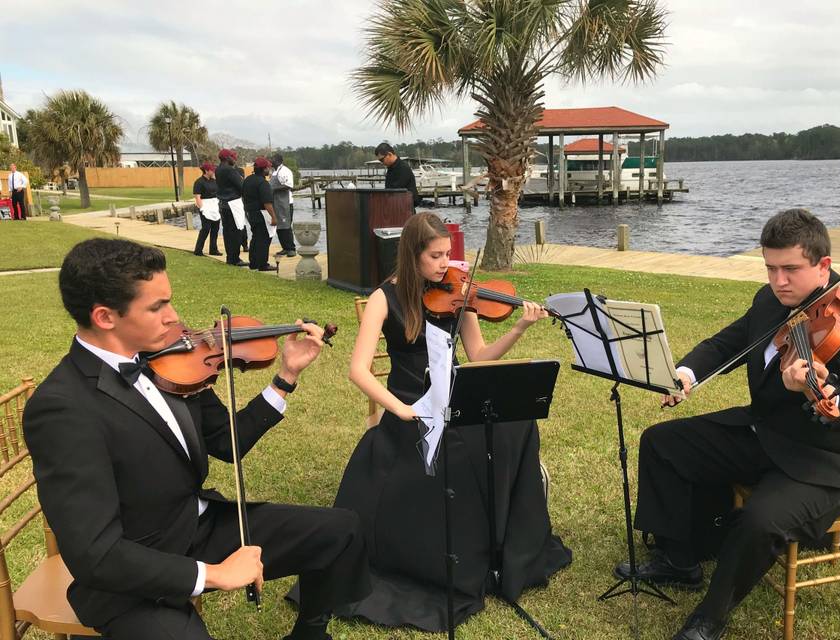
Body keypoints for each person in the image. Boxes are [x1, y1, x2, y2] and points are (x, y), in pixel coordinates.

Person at [23, 238, 370, 640]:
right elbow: (95, 555)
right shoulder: (63, 408)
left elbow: (226, 442)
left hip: (197, 526)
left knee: (341, 530)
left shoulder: (171, 362)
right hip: (129, 576)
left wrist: (286, 377)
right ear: (105, 317)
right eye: (157, 307)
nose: (176, 318)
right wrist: (214, 574)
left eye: (169, 301)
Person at [290, 212, 571, 632]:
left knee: (518, 427)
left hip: (455, 398)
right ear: (412, 255)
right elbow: (359, 371)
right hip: (410, 405)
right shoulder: (385, 298)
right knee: (455, 456)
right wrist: (400, 410)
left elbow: (479, 356)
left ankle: (503, 551)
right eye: (436, 256)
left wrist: (522, 327)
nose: (447, 264)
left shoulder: (459, 294)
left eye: (449, 254)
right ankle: (455, 559)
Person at [625, 209, 840, 640]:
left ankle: (709, 618)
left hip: (825, 458)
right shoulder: (770, 300)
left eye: (790, 269)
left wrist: (819, 389)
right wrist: (686, 374)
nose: (779, 280)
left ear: (824, 265)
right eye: (770, 268)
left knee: (759, 520)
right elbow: (729, 342)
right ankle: (679, 559)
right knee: (663, 442)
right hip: (766, 433)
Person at [241, 157, 278, 272]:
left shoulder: (247, 180)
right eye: (268, 167)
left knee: (256, 237)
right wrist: (274, 217)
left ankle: (253, 263)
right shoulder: (263, 183)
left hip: (250, 212)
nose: (269, 169)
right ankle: (262, 264)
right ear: (263, 169)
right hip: (261, 213)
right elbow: (267, 203)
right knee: (264, 238)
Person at [215, 149, 248, 267]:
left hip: (223, 204)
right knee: (237, 231)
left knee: (227, 231)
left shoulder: (218, 169)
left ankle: (230, 257)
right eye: (233, 157)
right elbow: (241, 186)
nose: (235, 159)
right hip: (233, 203)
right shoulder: (230, 170)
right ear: (227, 158)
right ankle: (235, 258)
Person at [374, 142, 418, 209]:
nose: (382, 163)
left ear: (389, 154)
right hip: (394, 208)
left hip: (406, 210)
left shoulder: (403, 168)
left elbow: (395, 191)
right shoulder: (390, 169)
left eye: (382, 160)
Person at [270, 153, 298, 258]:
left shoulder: (285, 171)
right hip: (276, 202)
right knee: (279, 226)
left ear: (278, 160)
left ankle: (291, 249)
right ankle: (285, 247)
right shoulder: (275, 171)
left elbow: (288, 186)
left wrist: (272, 189)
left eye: (272, 159)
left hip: (285, 203)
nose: (271, 161)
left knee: (286, 226)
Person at [192, 162, 222, 257]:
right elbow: (198, 197)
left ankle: (213, 249)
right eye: (211, 170)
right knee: (206, 228)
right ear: (206, 171)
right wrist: (202, 208)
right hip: (205, 205)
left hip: (214, 205)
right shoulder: (199, 182)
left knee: (215, 228)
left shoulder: (214, 181)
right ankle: (198, 249)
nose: (213, 171)